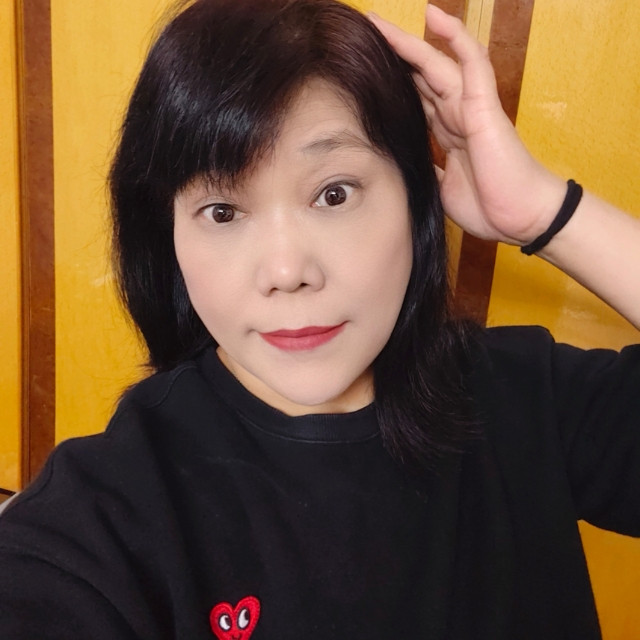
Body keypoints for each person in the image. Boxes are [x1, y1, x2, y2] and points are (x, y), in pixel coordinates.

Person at [0, 1, 638, 638]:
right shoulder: (110, 507)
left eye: (334, 194)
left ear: (415, 199)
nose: (286, 271)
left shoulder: (526, 399)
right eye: (223, 211)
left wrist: (543, 213)